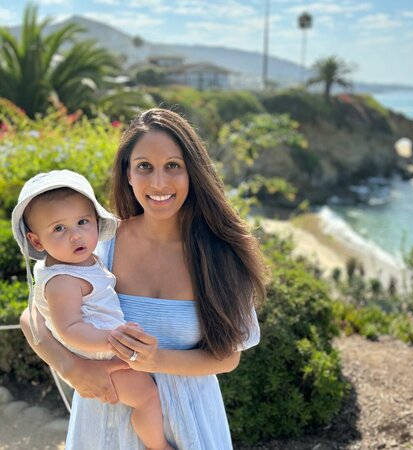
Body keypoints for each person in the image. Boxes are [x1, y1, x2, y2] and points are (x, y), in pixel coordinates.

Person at [20, 108, 268, 449]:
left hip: (189, 424)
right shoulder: (97, 245)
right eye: (144, 167)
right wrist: (70, 366)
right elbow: (33, 317)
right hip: (103, 423)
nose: (159, 183)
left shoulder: (221, 255)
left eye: (173, 166)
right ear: (129, 174)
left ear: (192, 172)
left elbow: (228, 358)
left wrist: (156, 360)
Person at [12, 170, 173, 450]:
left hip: (104, 353)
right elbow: (69, 328)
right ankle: (158, 446)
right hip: (99, 361)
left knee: (148, 394)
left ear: (96, 221)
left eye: (82, 222)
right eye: (59, 229)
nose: (76, 235)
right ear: (37, 241)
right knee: (147, 396)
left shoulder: (83, 261)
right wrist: (114, 337)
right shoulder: (63, 281)